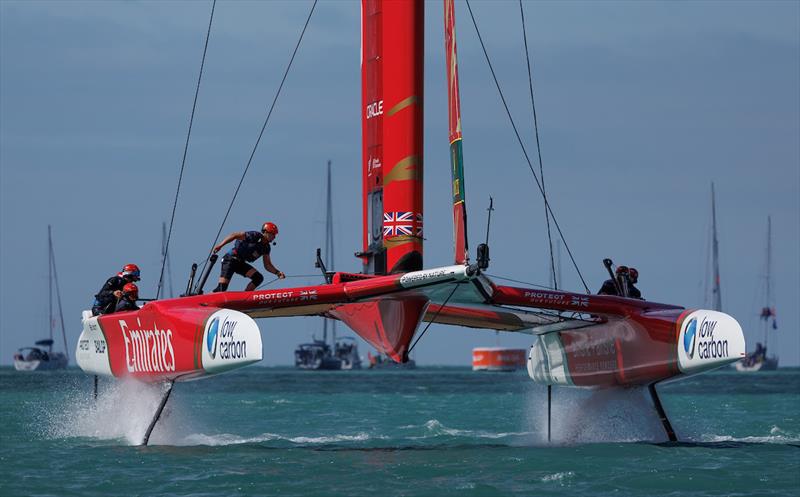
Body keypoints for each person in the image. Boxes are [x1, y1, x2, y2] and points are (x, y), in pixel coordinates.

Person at [212, 222, 285, 292]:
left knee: (258, 278)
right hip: (230, 259)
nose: (274, 237)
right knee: (221, 289)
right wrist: (220, 245)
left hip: (240, 263)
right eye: (272, 234)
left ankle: (245, 298)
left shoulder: (266, 247)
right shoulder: (254, 235)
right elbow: (234, 235)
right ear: (265, 232)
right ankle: (205, 297)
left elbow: (267, 265)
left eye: (274, 235)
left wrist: (277, 273)